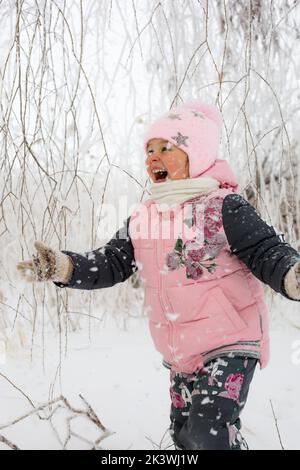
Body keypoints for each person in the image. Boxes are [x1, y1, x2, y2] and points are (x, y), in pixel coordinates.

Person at [17, 100, 300, 450]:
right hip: (182, 350)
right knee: (183, 435)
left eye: (166, 148)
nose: (153, 157)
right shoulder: (143, 217)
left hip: (230, 341)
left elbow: (266, 250)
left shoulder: (223, 207)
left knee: (208, 435)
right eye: (149, 150)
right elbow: (112, 262)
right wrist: (65, 267)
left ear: (195, 155)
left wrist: (291, 274)